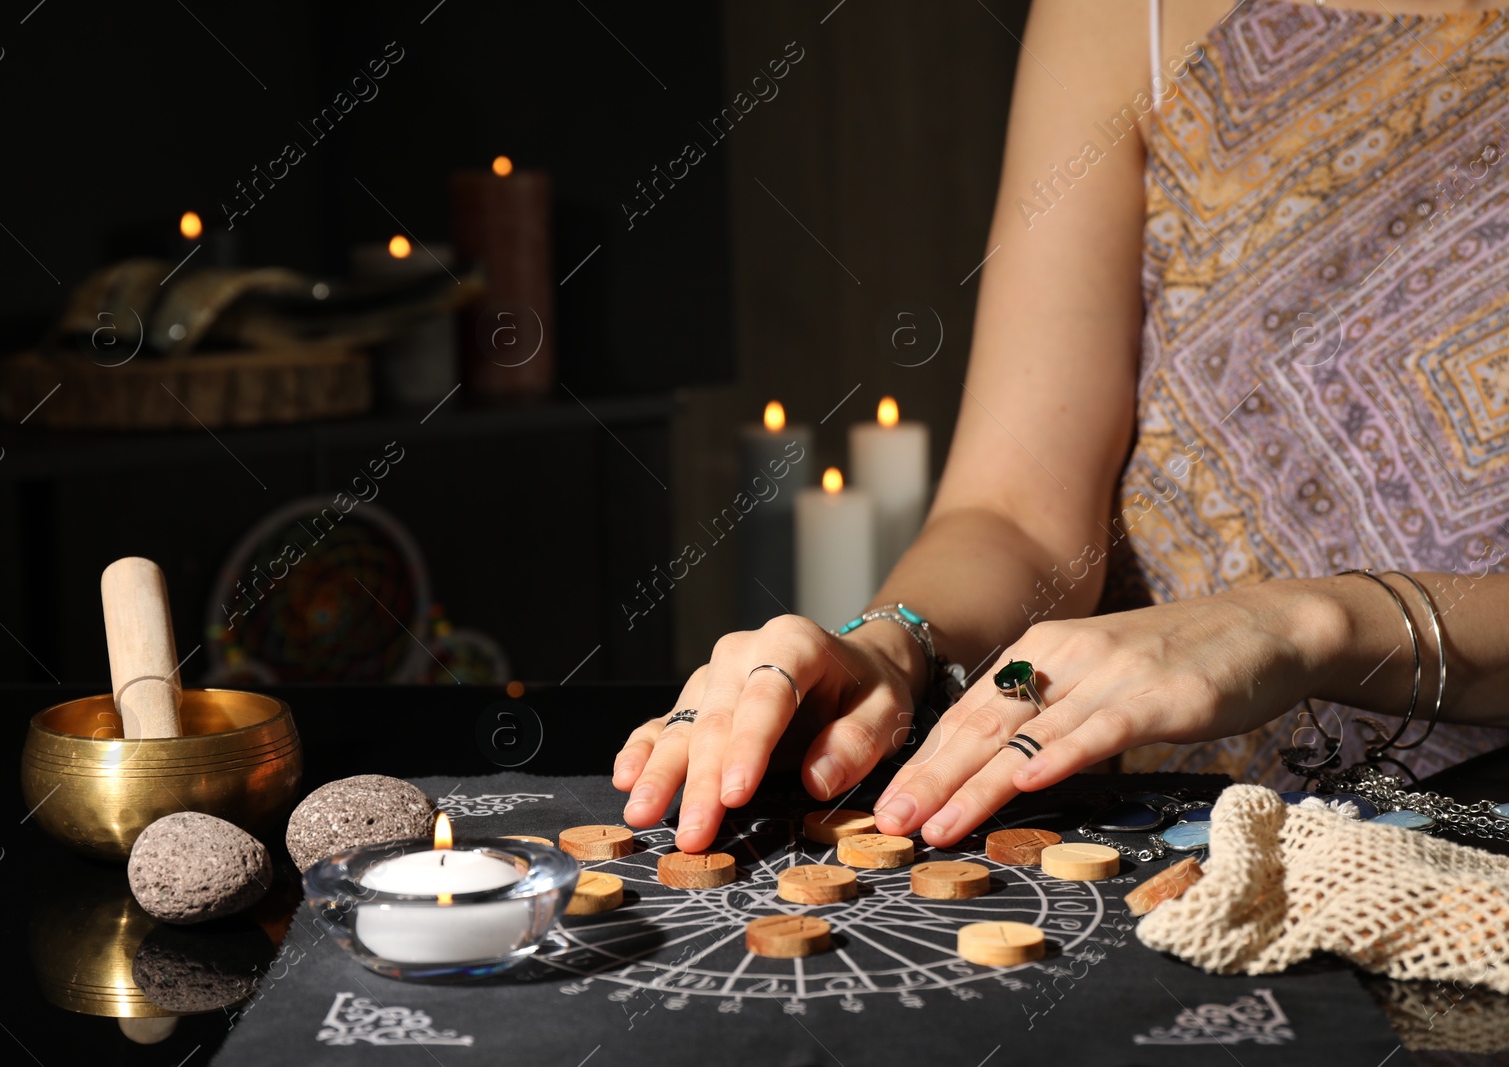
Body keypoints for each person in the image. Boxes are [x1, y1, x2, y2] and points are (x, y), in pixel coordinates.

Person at [615, 0, 1509, 855]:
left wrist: (1308, 622)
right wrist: (894, 641)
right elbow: (1017, 516)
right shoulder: (1128, 13)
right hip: (1172, 849)